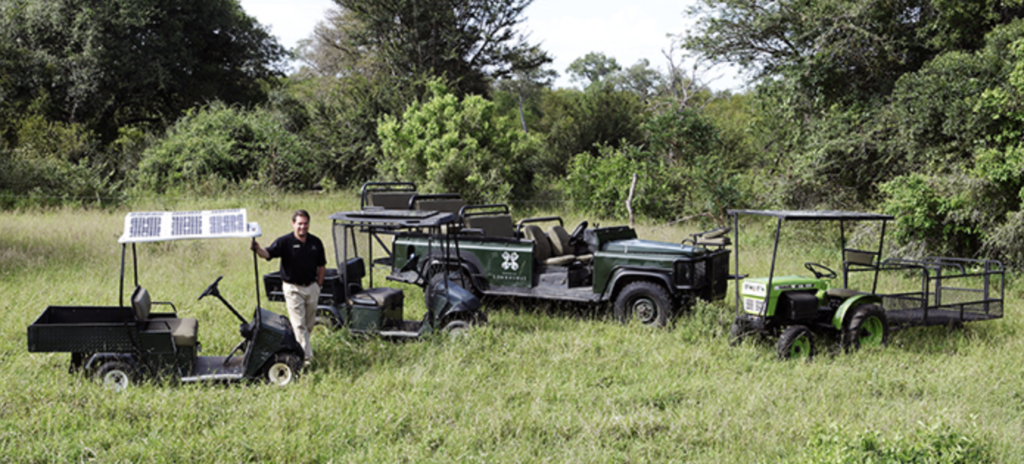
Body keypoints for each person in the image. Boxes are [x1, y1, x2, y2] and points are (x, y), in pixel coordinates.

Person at [251, 210, 326, 364]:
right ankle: (306, 359)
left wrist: (318, 285)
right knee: (299, 325)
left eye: (305, 223)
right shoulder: (284, 242)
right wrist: (258, 249)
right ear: (293, 224)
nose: (303, 227)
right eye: (299, 223)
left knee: (308, 325)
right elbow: (268, 253)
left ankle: (295, 346)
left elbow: (322, 265)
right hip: (293, 288)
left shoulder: (315, 242)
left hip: (311, 287)